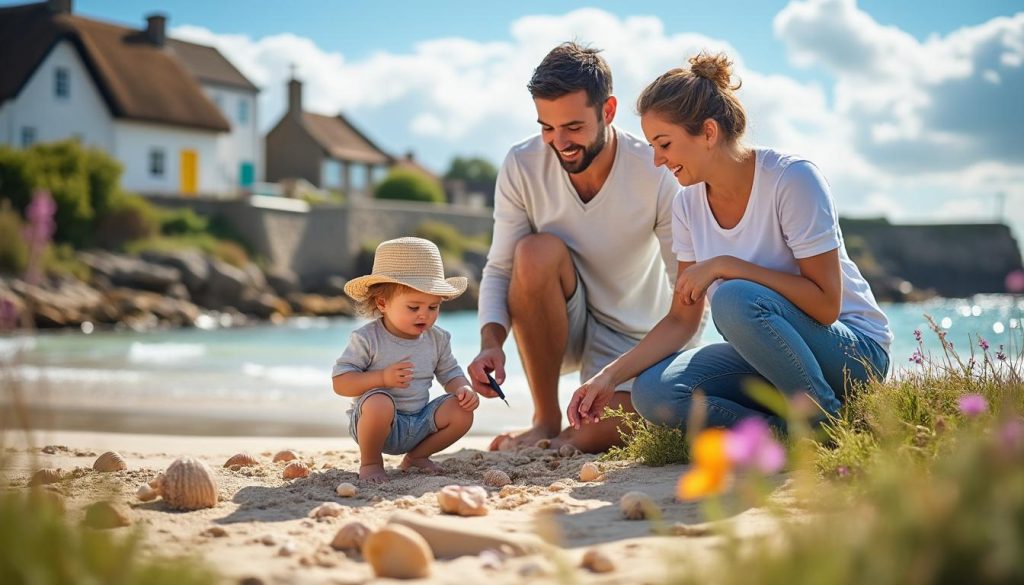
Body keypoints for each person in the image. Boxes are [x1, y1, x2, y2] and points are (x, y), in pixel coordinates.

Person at [566, 52, 892, 434]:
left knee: (733, 298)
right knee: (654, 393)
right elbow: (681, 320)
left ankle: (822, 418)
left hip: (853, 353)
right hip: (767, 359)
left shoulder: (792, 180)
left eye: (664, 144)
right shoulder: (687, 205)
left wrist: (727, 265)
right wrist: (608, 376)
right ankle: (777, 434)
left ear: (707, 132)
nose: (657, 160)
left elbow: (825, 305)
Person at [467, 42, 702, 453]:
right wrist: (491, 344)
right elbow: (501, 268)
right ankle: (544, 418)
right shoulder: (522, 164)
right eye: (547, 127)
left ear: (607, 111)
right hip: (563, 323)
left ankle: (576, 428)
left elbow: (688, 294)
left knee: (590, 436)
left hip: (636, 337)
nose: (559, 142)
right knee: (534, 252)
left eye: (573, 127)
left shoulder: (655, 170)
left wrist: (661, 367)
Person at [332, 237, 480, 483]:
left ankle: (417, 456)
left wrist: (463, 388)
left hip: (420, 421)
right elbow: (340, 383)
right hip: (376, 424)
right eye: (414, 307)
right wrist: (381, 378)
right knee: (380, 402)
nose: (425, 314)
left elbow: (450, 372)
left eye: (433, 307)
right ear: (383, 303)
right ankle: (370, 462)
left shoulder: (438, 339)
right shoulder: (367, 338)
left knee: (462, 412)